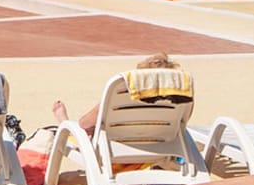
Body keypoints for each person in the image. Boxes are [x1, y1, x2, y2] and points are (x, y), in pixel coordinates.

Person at [51, 52, 182, 131]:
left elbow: (84, 123)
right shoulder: (180, 99)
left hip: (116, 152)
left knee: (85, 130)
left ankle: (64, 122)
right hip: (161, 151)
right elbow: (182, 124)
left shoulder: (121, 95)